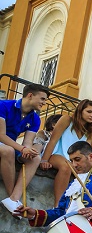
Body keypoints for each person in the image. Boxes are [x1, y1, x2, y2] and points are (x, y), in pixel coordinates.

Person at [40, 99, 92, 207]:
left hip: (75, 161)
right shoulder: (67, 119)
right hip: (56, 154)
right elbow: (53, 140)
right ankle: (58, 205)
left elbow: (86, 152)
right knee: (66, 166)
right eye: (89, 112)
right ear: (80, 110)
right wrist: (44, 159)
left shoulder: (91, 131)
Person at [0, 83, 48, 215]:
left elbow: (28, 141)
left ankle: (14, 198)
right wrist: (22, 149)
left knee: (35, 158)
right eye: (42, 99)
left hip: (11, 145)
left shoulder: (35, 119)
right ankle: (12, 199)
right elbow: (1, 135)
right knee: (8, 150)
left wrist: (28, 150)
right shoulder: (3, 105)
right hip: (4, 143)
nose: (44, 103)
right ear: (30, 95)